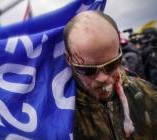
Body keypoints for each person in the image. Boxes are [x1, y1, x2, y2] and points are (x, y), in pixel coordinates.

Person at [63, 11, 157, 140]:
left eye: (111, 65)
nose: (103, 78)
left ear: (119, 51)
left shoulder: (148, 94)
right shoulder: (61, 117)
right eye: (88, 70)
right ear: (68, 60)